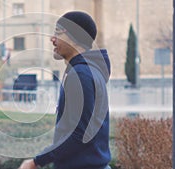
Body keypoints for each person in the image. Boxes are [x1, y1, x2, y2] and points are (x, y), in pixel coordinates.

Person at [19, 11, 111, 169]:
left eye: (57, 32)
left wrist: (36, 162)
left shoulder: (81, 75)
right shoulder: (88, 71)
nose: (52, 39)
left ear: (75, 37)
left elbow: (79, 135)